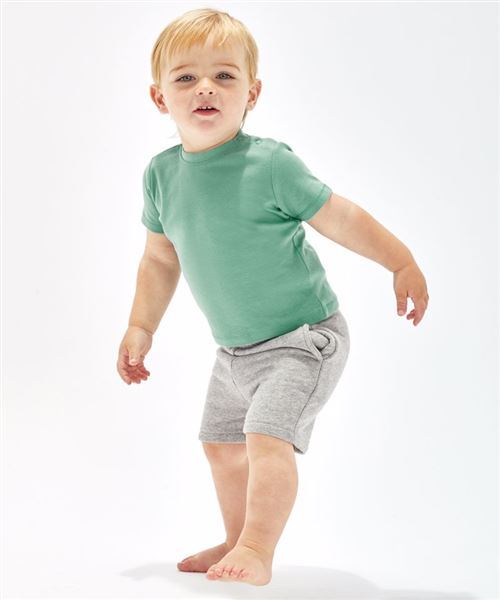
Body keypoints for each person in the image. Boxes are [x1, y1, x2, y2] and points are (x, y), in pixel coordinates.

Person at [116, 7, 429, 588]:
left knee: (265, 439)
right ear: (160, 98)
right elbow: (159, 259)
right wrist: (141, 325)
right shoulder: (161, 176)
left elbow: (339, 216)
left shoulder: (269, 164)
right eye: (186, 77)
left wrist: (400, 260)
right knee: (220, 447)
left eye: (224, 75)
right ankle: (236, 538)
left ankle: (258, 548)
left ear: (252, 93)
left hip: (302, 340)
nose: (205, 87)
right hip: (234, 352)